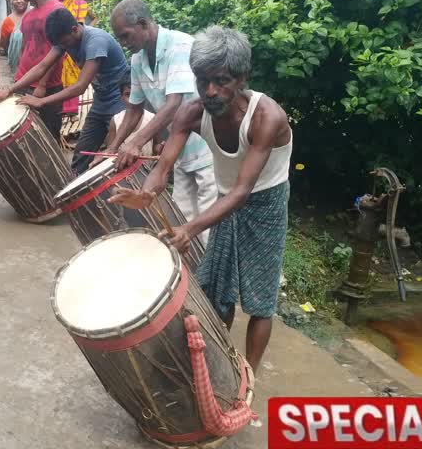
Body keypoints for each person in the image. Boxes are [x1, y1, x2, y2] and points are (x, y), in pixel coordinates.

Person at [109, 26, 293, 372]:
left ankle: (249, 375)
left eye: (221, 81)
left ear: (242, 78)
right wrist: (146, 194)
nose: (210, 91)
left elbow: (243, 191)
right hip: (227, 198)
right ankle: (217, 361)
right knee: (215, 289)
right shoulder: (192, 112)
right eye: (202, 80)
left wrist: (189, 228)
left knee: (260, 299)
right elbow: (164, 167)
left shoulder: (267, 117)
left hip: (265, 203)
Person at [109, 0, 217, 242]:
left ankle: (211, 278)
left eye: (126, 36)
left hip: (207, 149)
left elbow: (173, 104)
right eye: (120, 39)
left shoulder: (180, 46)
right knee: (179, 221)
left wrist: (136, 142)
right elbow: (134, 110)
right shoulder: (138, 59)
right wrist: (112, 149)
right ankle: (193, 277)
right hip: (177, 151)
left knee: (208, 228)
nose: (124, 44)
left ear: (144, 24)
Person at [0, 8, 129, 174]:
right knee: (80, 157)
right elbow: (42, 66)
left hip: (120, 100)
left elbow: (80, 87)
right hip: (101, 100)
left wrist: (42, 101)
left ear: (74, 30)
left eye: (65, 43)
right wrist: (10, 89)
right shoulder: (65, 39)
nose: (64, 47)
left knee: (116, 156)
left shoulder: (96, 41)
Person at [6, 0, 64, 139]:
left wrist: (42, 85)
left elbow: (57, 54)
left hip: (46, 89)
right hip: (24, 83)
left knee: (47, 139)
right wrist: (18, 79)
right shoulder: (29, 15)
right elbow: (25, 49)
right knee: (24, 138)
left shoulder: (58, 12)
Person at [104, 71, 163, 158]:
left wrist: (160, 148)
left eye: (136, 94)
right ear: (121, 97)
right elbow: (110, 150)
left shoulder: (152, 119)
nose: (132, 99)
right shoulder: (115, 120)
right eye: (127, 94)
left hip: (146, 169)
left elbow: (156, 145)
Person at [55, 0, 90, 115]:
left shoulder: (79, 4)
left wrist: (87, 30)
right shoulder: (55, 4)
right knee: (59, 76)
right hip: (59, 44)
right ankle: (62, 108)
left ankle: (73, 109)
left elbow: (88, 20)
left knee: (74, 77)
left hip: (74, 44)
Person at [0, 0, 27, 75]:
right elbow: (4, 44)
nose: (19, 1)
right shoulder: (7, 21)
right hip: (17, 66)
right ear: (11, 1)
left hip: (35, 63)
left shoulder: (34, 14)